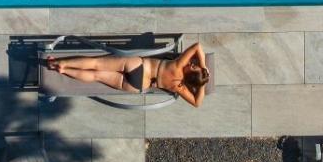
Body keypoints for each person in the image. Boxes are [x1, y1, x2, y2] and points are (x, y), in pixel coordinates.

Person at [43, 42, 209, 107]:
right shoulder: (179, 87)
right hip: (138, 86)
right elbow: (197, 103)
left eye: (194, 68)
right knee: (96, 76)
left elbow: (198, 47)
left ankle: (62, 62)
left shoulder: (179, 65)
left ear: (191, 74)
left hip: (139, 67)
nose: (192, 64)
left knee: (96, 64)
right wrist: (201, 84)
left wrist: (203, 66)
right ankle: (64, 70)